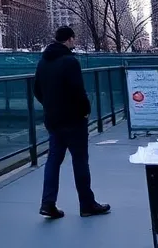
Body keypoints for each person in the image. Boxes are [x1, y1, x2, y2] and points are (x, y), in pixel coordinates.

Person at [33, 26, 110, 219]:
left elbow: (37, 90)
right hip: (74, 119)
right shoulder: (70, 61)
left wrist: (49, 105)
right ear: (68, 40)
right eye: (73, 40)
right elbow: (78, 91)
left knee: (53, 161)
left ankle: (48, 203)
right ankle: (87, 204)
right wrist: (85, 111)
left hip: (53, 119)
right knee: (80, 160)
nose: (74, 43)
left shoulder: (43, 61)